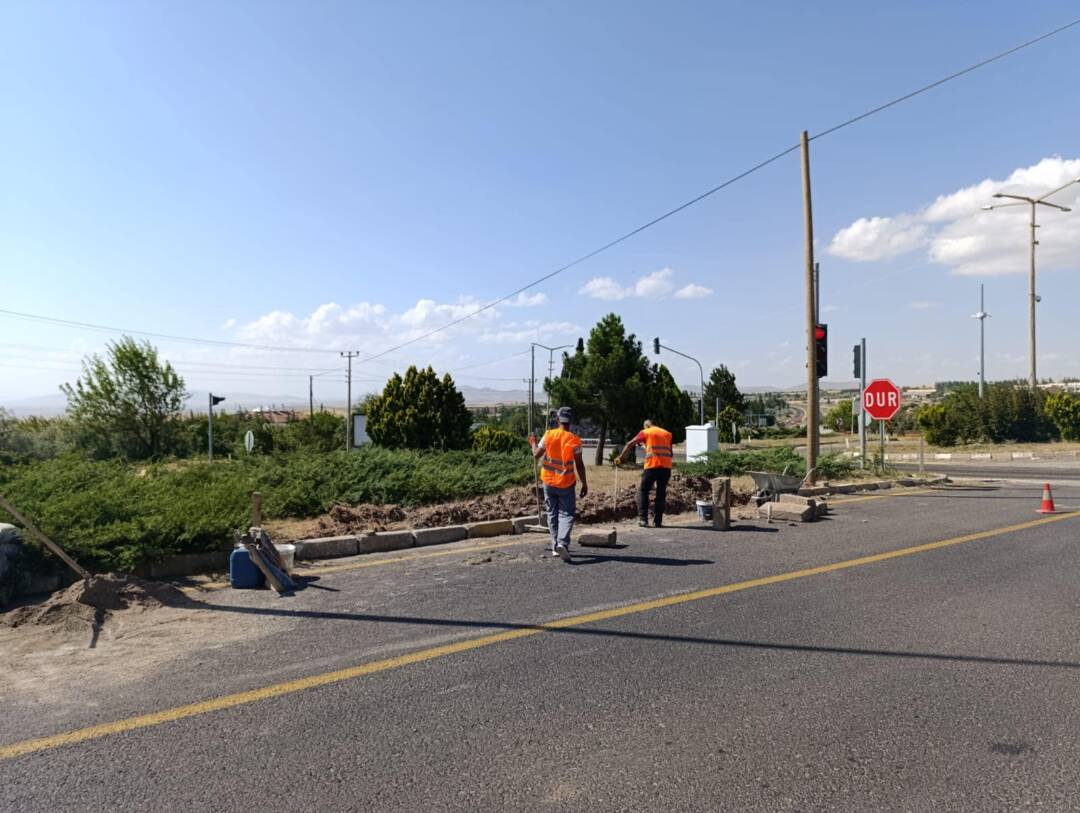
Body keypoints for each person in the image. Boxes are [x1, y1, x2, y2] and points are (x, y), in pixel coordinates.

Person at [530, 406, 588, 560]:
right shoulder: (575, 440)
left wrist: (533, 443)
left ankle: (555, 545)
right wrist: (584, 483)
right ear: (571, 421)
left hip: (548, 481)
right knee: (566, 514)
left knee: (552, 513)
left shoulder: (548, 435)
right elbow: (579, 464)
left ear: (558, 420)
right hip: (566, 483)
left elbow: (536, 455)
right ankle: (562, 543)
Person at [615, 419, 673, 527]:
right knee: (661, 493)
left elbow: (630, 444)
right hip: (666, 467)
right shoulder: (667, 434)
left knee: (643, 491)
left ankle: (643, 519)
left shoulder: (646, 432)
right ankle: (658, 521)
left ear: (646, 425)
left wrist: (621, 458)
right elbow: (669, 452)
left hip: (652, 466)